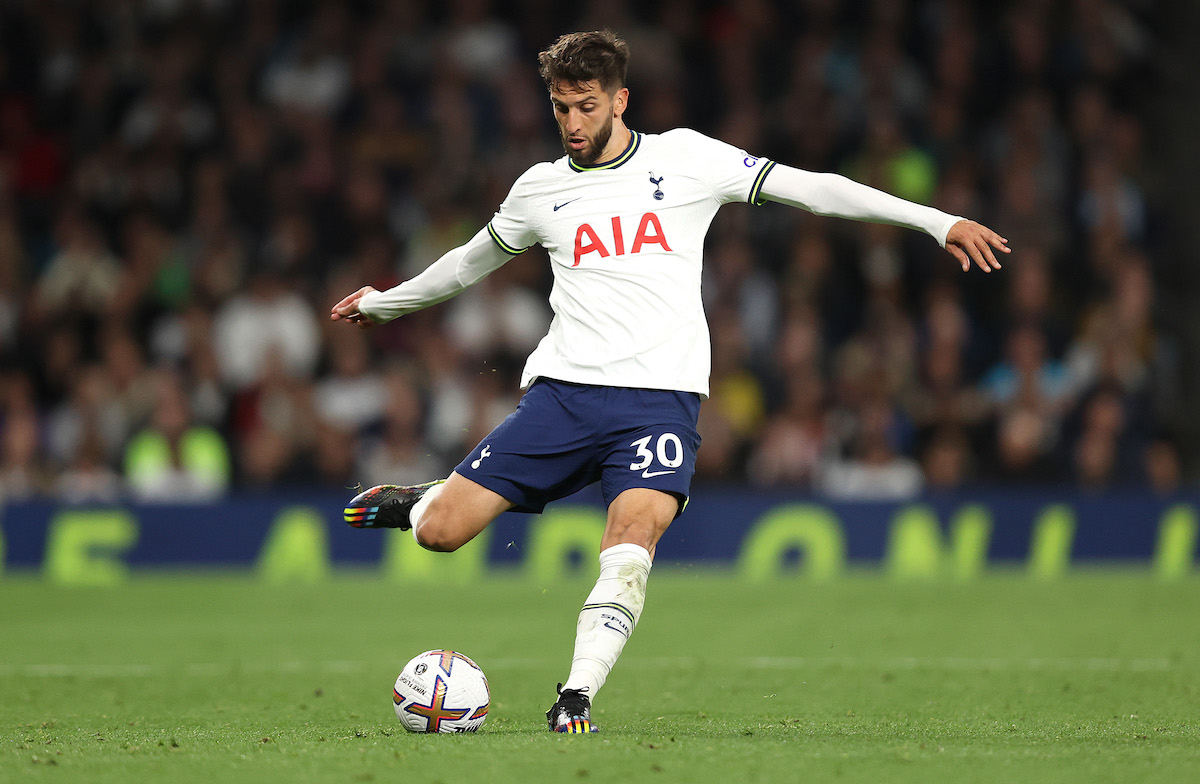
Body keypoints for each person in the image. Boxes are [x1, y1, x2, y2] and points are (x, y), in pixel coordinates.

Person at [331, 29, 1008, 733]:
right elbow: (468, 264)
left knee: (629, 547)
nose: (571, 124)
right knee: (440, 535)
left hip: (660, 403)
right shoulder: (540, 190)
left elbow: (813, 189)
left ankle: (577, 695)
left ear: (621, 99)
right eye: (560, 108)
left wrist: (937, 221)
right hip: (563, 394)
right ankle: (424, 500)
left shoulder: (686, 158)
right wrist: (387, 301)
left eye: (586, 107)